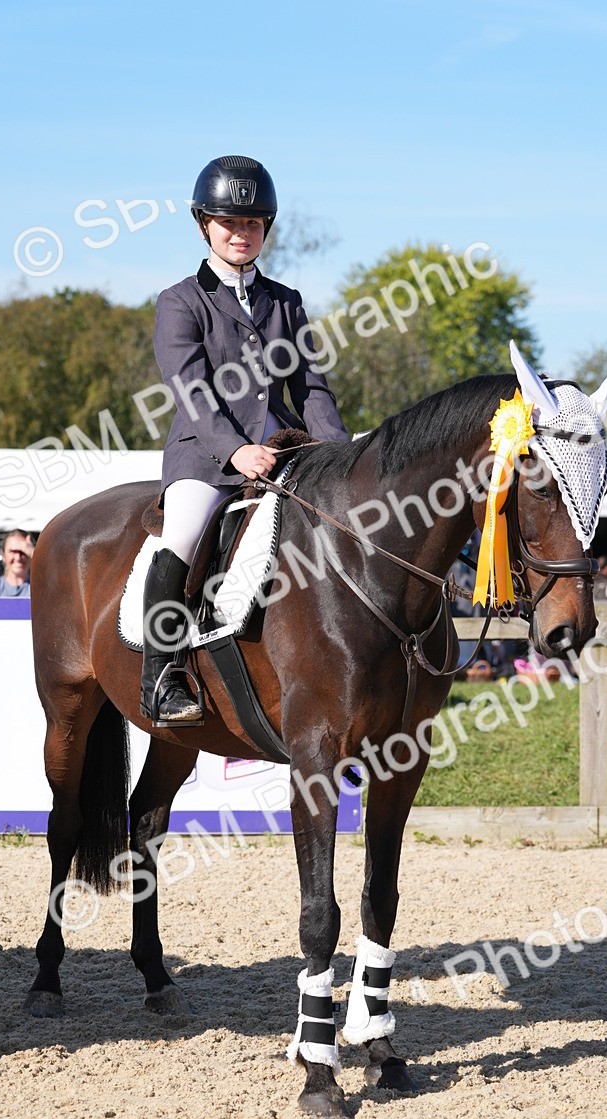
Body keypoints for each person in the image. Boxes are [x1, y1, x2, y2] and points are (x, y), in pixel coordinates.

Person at [141, 154, 350, 725]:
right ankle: (162, 675)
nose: (241, 233)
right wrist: (234, 449)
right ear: (205, 225)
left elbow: (310, 387)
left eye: (253, 223)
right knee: (181, 537)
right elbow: (190, 389)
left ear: (266, 229)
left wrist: (342, 458)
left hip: (284, 452)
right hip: (206, 458)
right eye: (230, 222)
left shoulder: (285, 301)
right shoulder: (181, 301)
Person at [0, 530, 33, 597]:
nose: (18, 557)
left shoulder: (40, 588)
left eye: (23, 551)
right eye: (13, 551)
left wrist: (34, 553)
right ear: (3, 555)